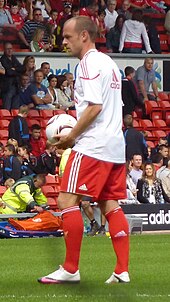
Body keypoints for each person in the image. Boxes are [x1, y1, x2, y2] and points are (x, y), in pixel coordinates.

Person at [38, 16, 130, 285]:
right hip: (114, 146)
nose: (63, 42)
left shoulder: (88, 63)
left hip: (93, 145)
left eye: (67, 37)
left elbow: (94, 106)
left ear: (84, 36)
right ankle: (122, 269)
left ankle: (70, 269)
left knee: (66, 202)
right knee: (109, 204)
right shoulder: (109, 63)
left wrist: (71, 138)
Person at [0, 42, 24, 110]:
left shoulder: (14, 58)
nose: (10, 50)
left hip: (16, 86)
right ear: (4, 50)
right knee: (6, 109)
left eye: (11, 48)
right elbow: (9, 72)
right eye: (7, 49)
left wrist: (14, 69)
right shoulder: (2, 60)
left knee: (15, 109)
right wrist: (16, 71)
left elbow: (22, 68)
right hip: (7, 88)